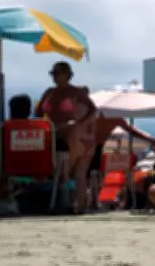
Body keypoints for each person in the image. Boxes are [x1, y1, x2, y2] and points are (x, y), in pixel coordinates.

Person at [35, 61, 98, 213]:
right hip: (55, 135)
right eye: (53, 74)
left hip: (72, 136)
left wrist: (77, 123)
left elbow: (92, 110)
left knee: (74, 172)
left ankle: (76, 205)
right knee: (66, 172)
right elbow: (38, 112)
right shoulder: (49, 92)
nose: (55, 77)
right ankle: (70, 204)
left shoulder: (76, 92)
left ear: (68, 75)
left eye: (58, 73)